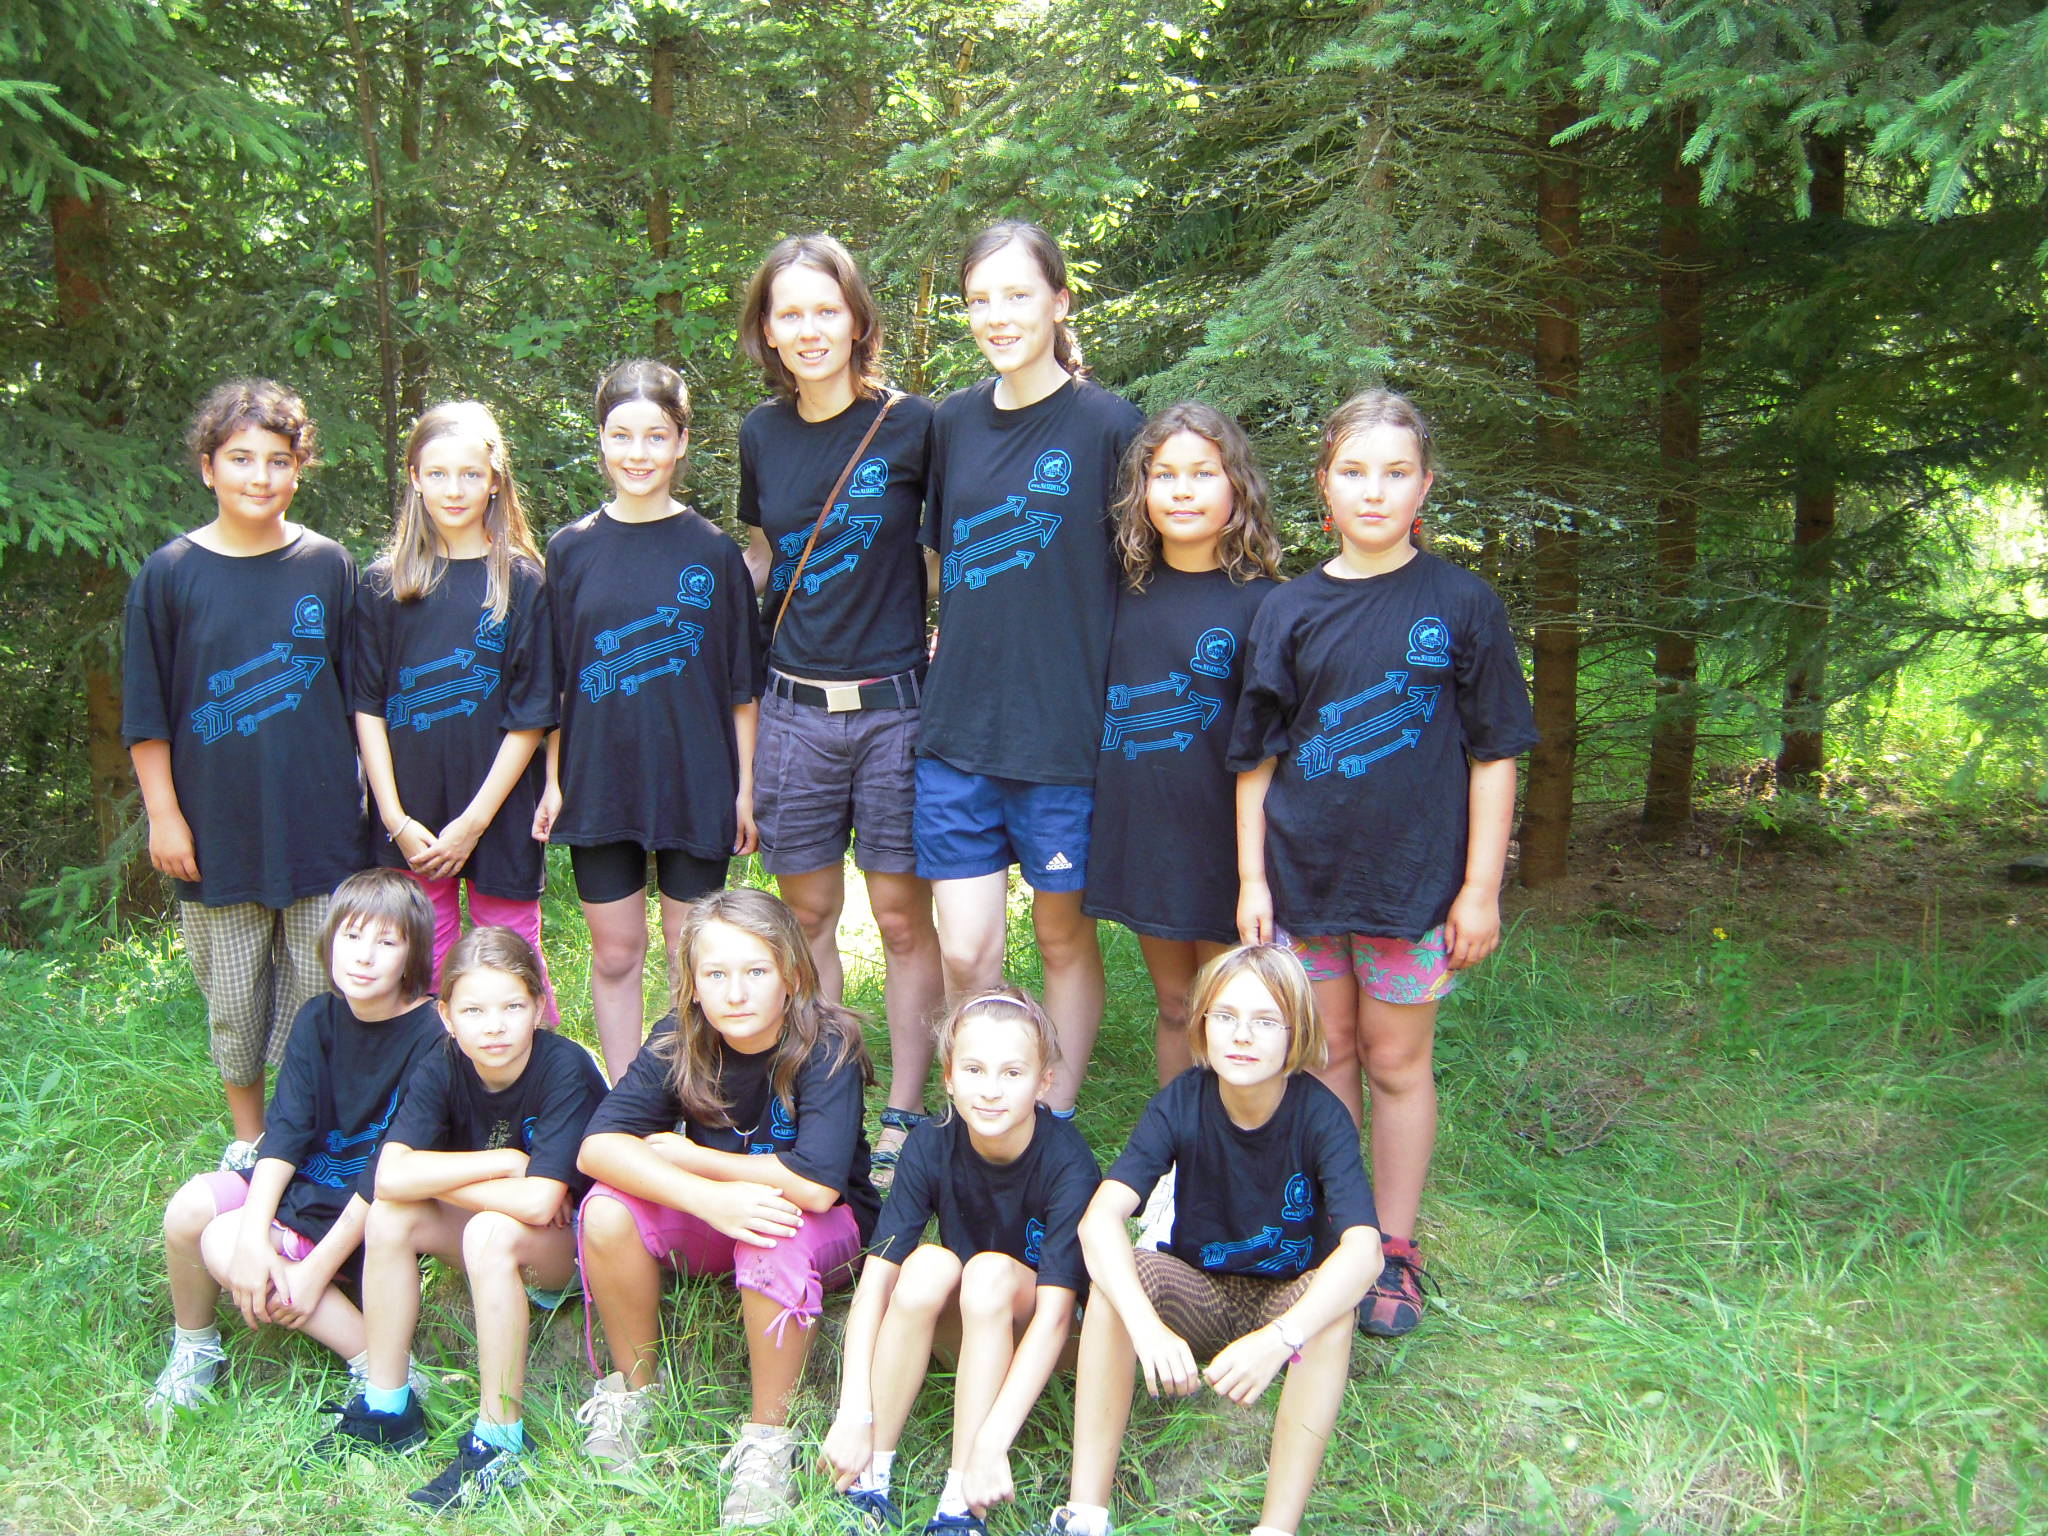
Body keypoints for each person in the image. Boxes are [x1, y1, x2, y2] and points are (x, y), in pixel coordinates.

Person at [1230, 389, 1537, 1337]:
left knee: (1397, 1060)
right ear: (1324, 484)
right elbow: (1257, 760)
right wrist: (1252, 879)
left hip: (1416, 887)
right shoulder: (1288, 609)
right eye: (1355, 471)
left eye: (1396, 473)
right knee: (1326, 1054)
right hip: (1304, 881)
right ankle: (1342, 1235)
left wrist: (1480, 889)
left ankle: (1395, 1248)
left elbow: (1495, 754)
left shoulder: (1462, 604)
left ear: (1424, 487)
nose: (1375, 491)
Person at [1028, 945, 1383, 1536]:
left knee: (1333, 1313)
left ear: (1296, 1032)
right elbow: (1099, 1220)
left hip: (1285, 1299)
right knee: (1120, 1277)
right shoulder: (1182, 1100)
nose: (1242, 1035)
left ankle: (1276, 1527)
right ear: (1202, 1025)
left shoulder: (1321, 1116)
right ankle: (1085, 1512)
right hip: (1200, 1291)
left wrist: (1280, 1337)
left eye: (1266, 1020)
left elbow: (1365, 1251)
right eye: (1226, 1016)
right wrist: (1145, 1326)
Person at [915, 222, 1145, 1112]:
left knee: (1060, 940)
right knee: (965, 949)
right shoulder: (952, 422)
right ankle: (984, 1110)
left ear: (1059, 301)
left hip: (1063, 733)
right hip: (959, 728)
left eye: (1017, 295)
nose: (998, 316)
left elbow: (1143, 578)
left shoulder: (1109, 426)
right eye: (980, 299)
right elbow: (941, 561)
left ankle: (1051, 1115)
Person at [735, 234, 944, 1179]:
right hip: (793, 710)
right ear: (768, 330)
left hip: (897, 708)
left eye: (827, 309)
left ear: (858, 320)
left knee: (901, 918)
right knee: (808, 915)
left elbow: (946, 554)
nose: (810, 329)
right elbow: (765, 554)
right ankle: (831, 1094)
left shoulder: (913, 426)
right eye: (791, 313)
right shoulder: (761, 434)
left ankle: (905, 1109)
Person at [574, 887, 879, 1527]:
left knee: (774, 1225)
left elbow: (816, 1186)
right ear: (691, 985)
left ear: (792, 975)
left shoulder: (828, 1043)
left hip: (822, 1230)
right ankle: (633, 1394)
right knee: (606, 1210)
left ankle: (769, 1440)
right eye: (715, 975)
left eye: (756, 972)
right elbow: (597, 1147)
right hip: (720, 1216)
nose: (735, 994)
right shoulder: (678, 1038)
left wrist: (696, 1161)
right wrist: (706, 1198)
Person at [124, 379, 369, 1151]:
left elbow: (360, 700)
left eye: (278, 460)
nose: (259, 476)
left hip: (320, 828)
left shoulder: (328, 566)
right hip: (215, 834)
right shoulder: (169, 574)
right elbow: (147, 714)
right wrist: (164, 815)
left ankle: (310, 1143)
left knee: (321, 993)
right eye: (240, 458)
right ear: (208, 468)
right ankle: (251, 1143)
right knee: (234, 1005)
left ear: (299, 469)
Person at [315, 926, 605, 1506]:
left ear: (539, 1008)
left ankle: (500, 1442)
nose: (493, 1026)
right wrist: (503, 1165)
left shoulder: (564, 1068)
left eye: (511, 1007)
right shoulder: (443, 1064)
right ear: (446, 1016)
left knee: (491, 1231)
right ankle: (388, 1406)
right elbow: (388, 1178)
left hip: (573, 1250)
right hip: (495, 1226)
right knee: (391, 1216)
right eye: (473, 1010)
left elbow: (540, 1204)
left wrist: (446, 1180)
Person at [539, 360, 767, 1079]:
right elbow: (555, 682)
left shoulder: (713, 553)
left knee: (687, 954)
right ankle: (625, 1098)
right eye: (621, 435)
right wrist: (552, 781)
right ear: (601, 441)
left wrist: (745, 789)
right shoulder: (569, 550)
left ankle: (687, 1094)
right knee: (615, 953)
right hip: (599, 777)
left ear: (681, 442)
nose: (638, 453)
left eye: (656, 436)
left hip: (696, 778)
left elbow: (741, 687)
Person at [146, 870, 442, 1422]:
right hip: (305, 1183)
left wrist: (312, 1273)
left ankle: (384, 1365)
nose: (364, 956)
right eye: (351, 936)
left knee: (221, 1240)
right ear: (329, 941)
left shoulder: (433, 1037)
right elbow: (283, 1136)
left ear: (413, 955)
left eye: (387, 942)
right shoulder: (317, 1019)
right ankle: (196, 1349)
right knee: (189, 1211)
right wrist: (255, 1238)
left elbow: (388, 1172)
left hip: (364, 1209)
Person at [823, 987, 1100, 1534]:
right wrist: (853, 1412)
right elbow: (876, 1284)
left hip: (1045, 1339)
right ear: (949, 1078)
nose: (991, 1090)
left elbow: (1056, 1318)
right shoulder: (931, 1141)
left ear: (1044, 1082)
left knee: (989, 1272)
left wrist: (992, 1442)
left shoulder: (1068, 1161)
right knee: (926, 1264)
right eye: (974, 1070)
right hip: (968, 1327)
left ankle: (960, 1503)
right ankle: (869, 1476)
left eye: (1012, 1073)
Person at [1083, 402, 1283, 1083]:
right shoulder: (1115, 592)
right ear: (1140, 490)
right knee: (1176, 1004)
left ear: (1237, 487)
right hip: (1146, 835)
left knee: (1234, 1007)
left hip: (1230, 841)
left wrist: (1256, 872)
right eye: (1164, 474)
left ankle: (1241, 1136)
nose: (1183, 490)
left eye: (1203, 473)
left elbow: (1272, 745)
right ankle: (1177, 1139)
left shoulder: (1267, 604)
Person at [353, 401, 559, 1023]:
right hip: (411, 817)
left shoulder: (523, 582)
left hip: (498, 810)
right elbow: (368, 707)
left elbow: (531, 715)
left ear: (495, 481)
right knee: (423, 965)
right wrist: (394, 818)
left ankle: (534, 1075)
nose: (454, 489)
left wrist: (473, 823)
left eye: (470, 474)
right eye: (438, 473)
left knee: (511, 960)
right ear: (414, 478)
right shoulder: (384, 585)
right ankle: (434, 1075)